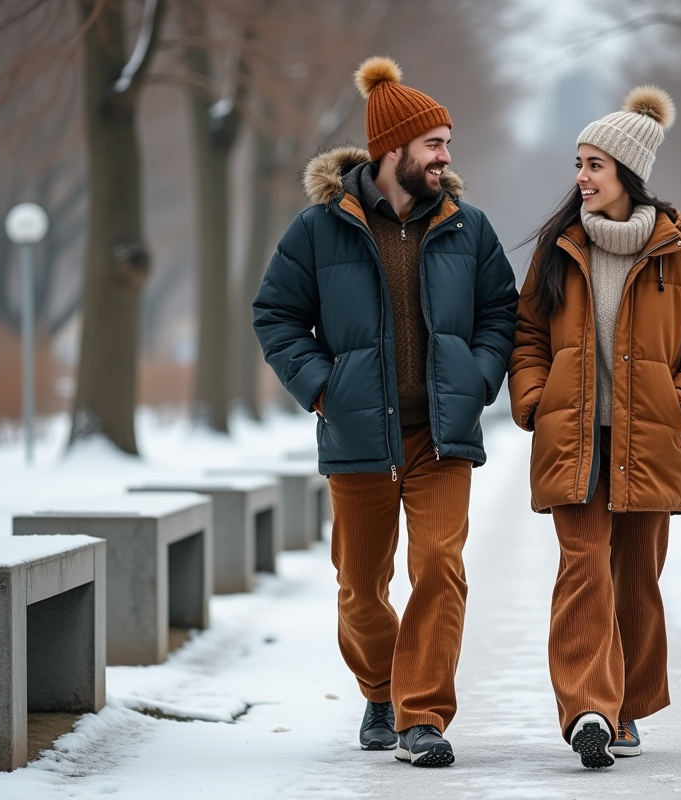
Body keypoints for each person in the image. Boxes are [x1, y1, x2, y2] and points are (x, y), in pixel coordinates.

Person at [253, 56, 518, 768]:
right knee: (360, 588)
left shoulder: (469, 227)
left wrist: (478, 379)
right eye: (434, 144)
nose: (446, 157)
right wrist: (323, 389)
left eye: (448, 144)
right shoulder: (317, 230)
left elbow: (502, 313)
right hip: (359, 433)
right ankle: (380, 688)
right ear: (392, 149)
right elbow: (276, 315)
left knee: (439, 568)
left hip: (440, 436)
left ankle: (421, 715)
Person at [508, 86, 681, 769]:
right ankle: (589, 708)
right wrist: (535, 399)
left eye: (595, 165)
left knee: (635, 576)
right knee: (583, 568)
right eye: (579, 163)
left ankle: (627, 706)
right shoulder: (557, 250)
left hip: (650, 440)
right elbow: (526, 334)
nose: (581, 177)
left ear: (628, 173)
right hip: (573, 438)